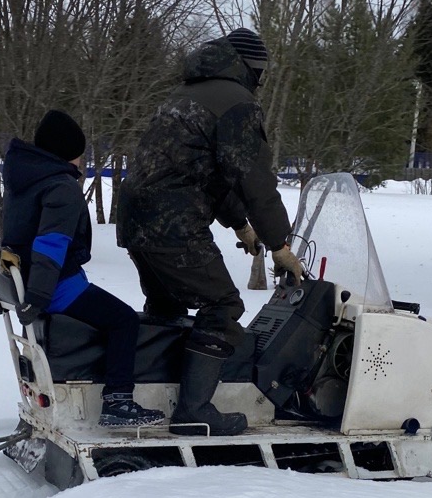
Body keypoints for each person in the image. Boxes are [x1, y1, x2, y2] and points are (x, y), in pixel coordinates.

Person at [117, 27, 306, 436]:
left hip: (136, 219)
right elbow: (256, 181)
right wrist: (280, 244)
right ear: (251, 68)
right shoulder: (236, 103)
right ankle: (194, 410)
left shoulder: (183, 96)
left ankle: (154, 391)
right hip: (174, 224)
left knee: (166, 306)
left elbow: (205, 173)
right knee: (221, 307)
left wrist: (240, 225)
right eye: (262, 71)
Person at [1, 109, 164, 429]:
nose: (81, 160)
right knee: (124, 320)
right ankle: (118, 401)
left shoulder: (24, 179)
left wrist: (14, 287)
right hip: (56, 286)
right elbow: (50, 244)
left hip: (36, 282)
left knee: (111, 315)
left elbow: (13, 241)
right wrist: (39, 295)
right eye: (79, 153)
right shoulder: (60, 186)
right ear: (67, 151)